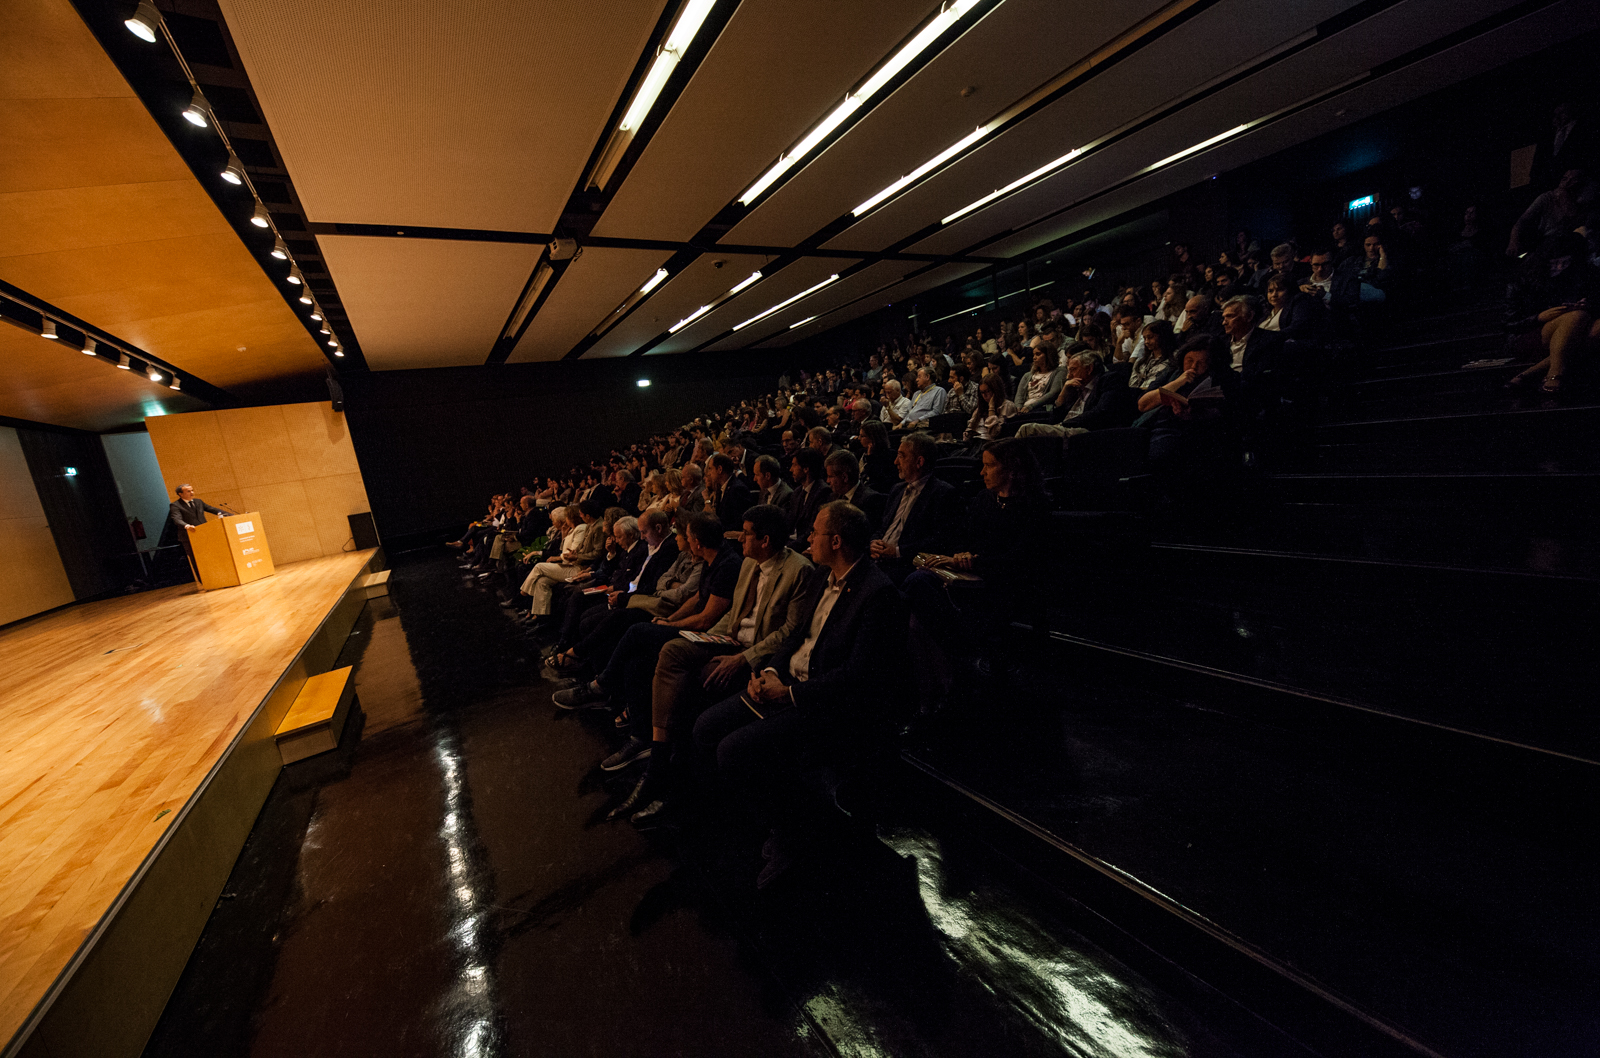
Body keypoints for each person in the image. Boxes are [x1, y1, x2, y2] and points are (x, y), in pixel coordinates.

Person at [693, 500, 906, 888]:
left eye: (815, 533)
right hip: (786, 684)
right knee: (706, 727)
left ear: (837, 541)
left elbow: (860, 678)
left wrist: (790, 694)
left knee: (733, 749)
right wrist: (769, 670)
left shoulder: (878, 594)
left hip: (824, 705)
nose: (808, 538)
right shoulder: (821, 578)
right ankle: (763, 816)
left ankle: (793, 834)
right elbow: (793, 636)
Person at [605, 505, 819, 826]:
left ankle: (663, 779)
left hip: (755, 653)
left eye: (746, 533)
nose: (738, 538)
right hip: (729, 640)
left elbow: (788, 633)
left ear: (765, 539)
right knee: (672, 650)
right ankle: (657, 755)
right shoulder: (749, 563)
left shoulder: (798, 570)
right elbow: (732, 619)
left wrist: (741, 658)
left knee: (686, 690)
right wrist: (702, 638)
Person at [1504, 232, 1600, 396]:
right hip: (1531, 333)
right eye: (1555, 263)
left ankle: (1529, 374)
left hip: (1574, 330)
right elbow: (1509, 323)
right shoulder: (1523, 279)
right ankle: (1555, 373)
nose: (1560, 267)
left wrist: (1589, 304)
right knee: (1577, 316)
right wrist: (1541, 316)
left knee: (1585, 320)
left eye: (1565, 262)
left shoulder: (1583, 273)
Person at [870, 432, 961, 584]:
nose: (895, 462)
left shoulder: (943, 494)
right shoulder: (897, 489)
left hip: (906, 566)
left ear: (919, 462)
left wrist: (898, 552)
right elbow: (883, 527)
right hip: (879, 560)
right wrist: (874, 542)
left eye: (901, 456)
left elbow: (939, 541)